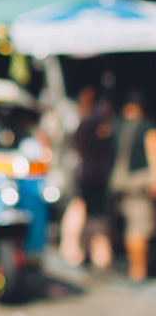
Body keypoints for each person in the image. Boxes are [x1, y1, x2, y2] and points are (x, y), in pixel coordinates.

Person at [58, 86, 114, 270]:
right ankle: (93, 253)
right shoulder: (95, 121)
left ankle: (80, 250)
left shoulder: (81, 121)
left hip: (83, 173)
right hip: (94, 175)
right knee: (92, 214)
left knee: (84, 211)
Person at [108, 91, 156, 282]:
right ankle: (138, 270)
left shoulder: (115, 126)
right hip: (139, 183)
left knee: (129, 226)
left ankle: (133, 268)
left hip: (118, 183)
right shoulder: (147, 127)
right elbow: (153, 154)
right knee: (139, 227)